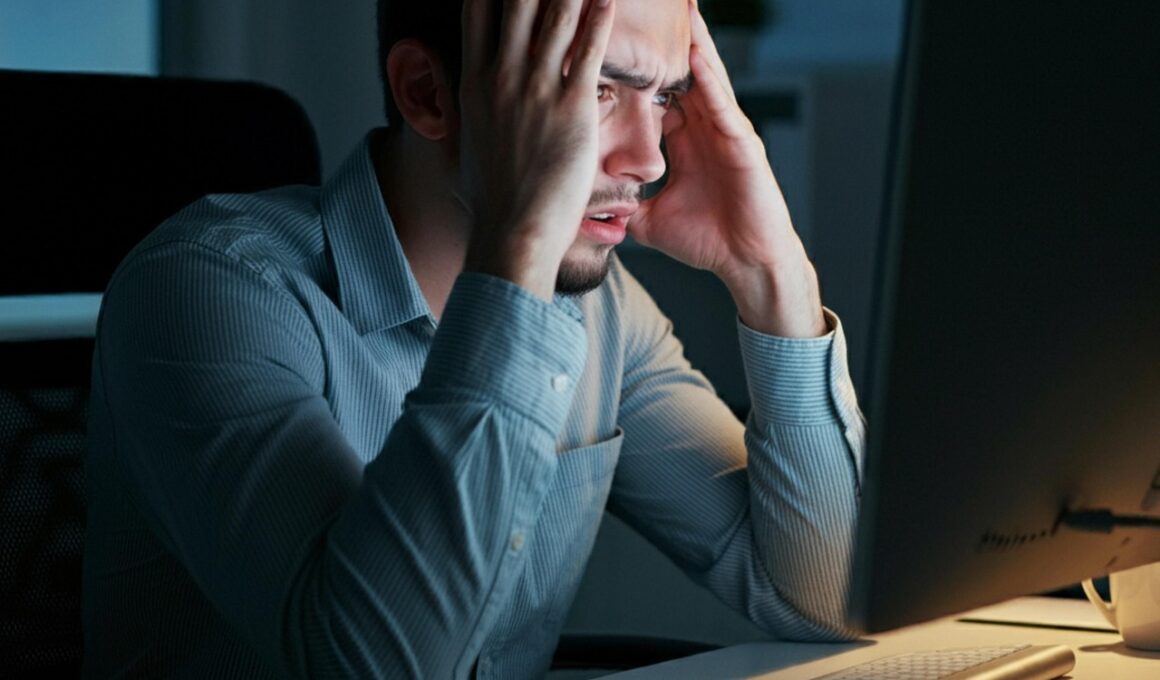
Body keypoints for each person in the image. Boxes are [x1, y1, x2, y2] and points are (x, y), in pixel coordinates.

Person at [82, 0, 866, 677]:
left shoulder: (602, 311)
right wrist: (518, 247)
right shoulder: (207, 287)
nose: (649, 158)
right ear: (429, 95)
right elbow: (378, 666)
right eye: (594, 88)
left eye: (663, 96)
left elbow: (830, 598)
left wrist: (772, 273)